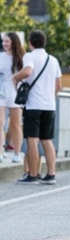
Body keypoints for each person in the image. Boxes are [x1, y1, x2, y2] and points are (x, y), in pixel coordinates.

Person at [14, 30, 62, 184]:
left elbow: (27, 71)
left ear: (30, 43)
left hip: (33, 105)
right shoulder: (53, 60)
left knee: (32, 140)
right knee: (47, 140)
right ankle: (51, 175)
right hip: (50, 106)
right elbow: (59, 85)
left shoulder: (30, 56)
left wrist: (15, 78)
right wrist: (49, 96)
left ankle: (33, 174)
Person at [0, 32, 25, 163]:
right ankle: (0, 152)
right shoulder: (0, 56)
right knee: (0, 123)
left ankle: (17, 153)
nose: (4, 44)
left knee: (15, 125)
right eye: (3, 41)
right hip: (1, 93)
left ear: (13, 42)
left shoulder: (21, 58)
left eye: (7, 41)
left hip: (15, 93)